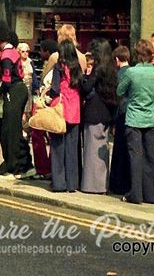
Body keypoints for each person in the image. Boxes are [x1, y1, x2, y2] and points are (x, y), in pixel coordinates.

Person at [0, 19, 33, 180]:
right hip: (20, 90)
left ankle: (11, 168)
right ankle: (25, 165)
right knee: (15, 130)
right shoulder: (13, 51)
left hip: (12, 92)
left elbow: (6, 80)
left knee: (8, 132)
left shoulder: (6, 55)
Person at [117, 39, 154, 204]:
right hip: (151, 119)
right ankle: (153, 195)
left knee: (135, 157)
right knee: (152, 157)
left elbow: (120, 90)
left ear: (137, 55)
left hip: (134, 118)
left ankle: (136, 194)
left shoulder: (131, 73)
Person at [80, 38, 117, 194]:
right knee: (102, 149)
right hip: (107, 112)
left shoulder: (97, 69)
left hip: (93, 111)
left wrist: (84, 77)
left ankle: (91, 185)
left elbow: (86, 88)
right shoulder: (112, 69)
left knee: (91, 150)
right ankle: (102, 184)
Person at [47, 40, 83, 192]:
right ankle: (71, 184)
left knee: (57, 147)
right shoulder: (77, 68)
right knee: (72, 148)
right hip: (74, 109)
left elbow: (55, 88)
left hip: (60, 108)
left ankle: (59, 183)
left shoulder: (59, 67)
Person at [28, 39, 58, 180]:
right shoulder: (54, 64)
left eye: (42, 50)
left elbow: (49, 87)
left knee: (37, 134)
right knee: (51, 137)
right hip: (51, 105)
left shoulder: (53, 67)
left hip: (46, 105)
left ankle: (43, 168)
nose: (40, 53)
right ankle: (50, 167)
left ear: (47, 51)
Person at [108, 44, 133, 196]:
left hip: (121, 114)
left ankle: (117, 184)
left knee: (119, 150)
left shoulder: (118, 75)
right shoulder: (134, 72)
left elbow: (116, 97)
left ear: (117, 59)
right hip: (132, 114)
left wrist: (113, 120)